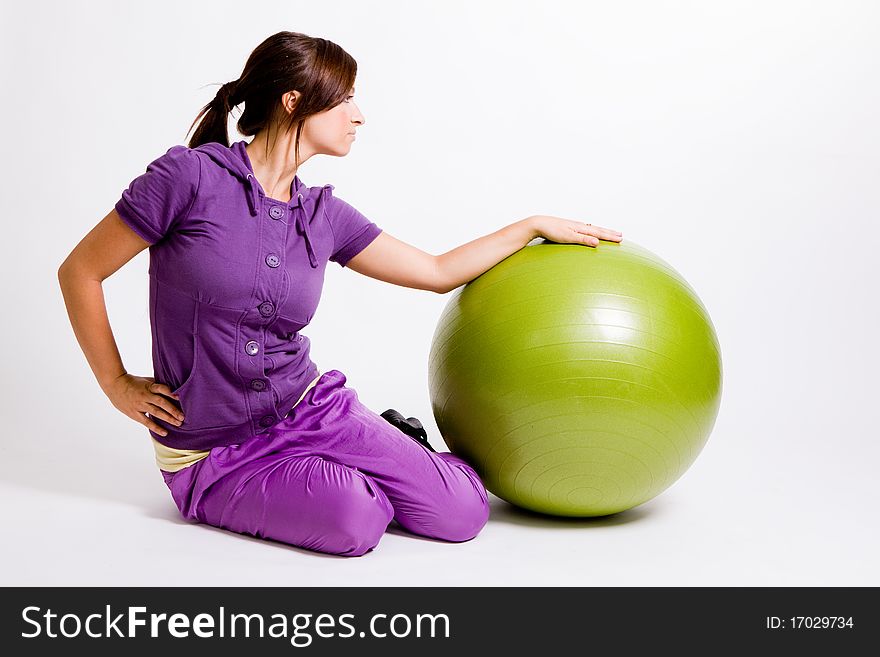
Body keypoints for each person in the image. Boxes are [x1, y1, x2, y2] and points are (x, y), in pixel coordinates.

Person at [57, 31, 624, 557]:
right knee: (357, 520)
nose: (359, 116)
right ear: (294, 101)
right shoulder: (189, 178)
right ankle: (348, 472)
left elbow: (435, 270)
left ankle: (394, 446)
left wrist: (528, 226)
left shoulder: (324, 214)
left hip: (308, 409)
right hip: (213, 453)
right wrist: (115, 383)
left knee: (462, 514)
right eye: (345, 99)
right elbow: (80, 270)